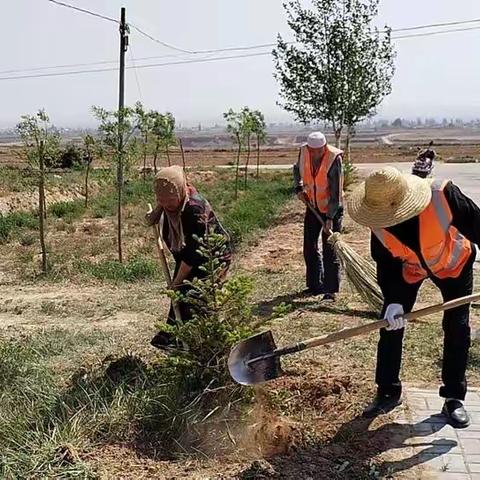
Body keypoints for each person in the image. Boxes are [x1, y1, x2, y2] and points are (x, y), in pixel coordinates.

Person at [347, 166, 480, 428]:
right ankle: (387, 390)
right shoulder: (378, 219)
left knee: (458, 327)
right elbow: (385, 263)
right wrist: (394, 301)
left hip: (454, 264)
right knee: (390, 325)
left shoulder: (443, 196)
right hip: (410, 270)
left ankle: (453, 396)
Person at [146, 166, 232, 349]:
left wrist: (176, 282)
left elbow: (193, 256)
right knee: (179, 296)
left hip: (211, 257)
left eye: (170, 201)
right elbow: (163, 203)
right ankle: (174, 337)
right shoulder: (172, 195)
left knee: (195, 296)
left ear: (181, 191)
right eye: (162, 201)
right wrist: (155, 214)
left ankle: (201, 345)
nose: (167, 205)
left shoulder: (194, 209)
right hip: (187, 255)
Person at [293, 131, 344, 302]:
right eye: (312, 151)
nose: (316, 154)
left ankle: (330, 290)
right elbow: (296, 169)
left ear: (324, 147)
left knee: (330, 249)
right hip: (313, 206)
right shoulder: (304, 152)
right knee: (310, 245)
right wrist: (299, 188)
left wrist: (330, 218)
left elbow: (336, 192)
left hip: (332, 209)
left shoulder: (333, 158)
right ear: (308, 147)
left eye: (319, 150)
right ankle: (315, 285)